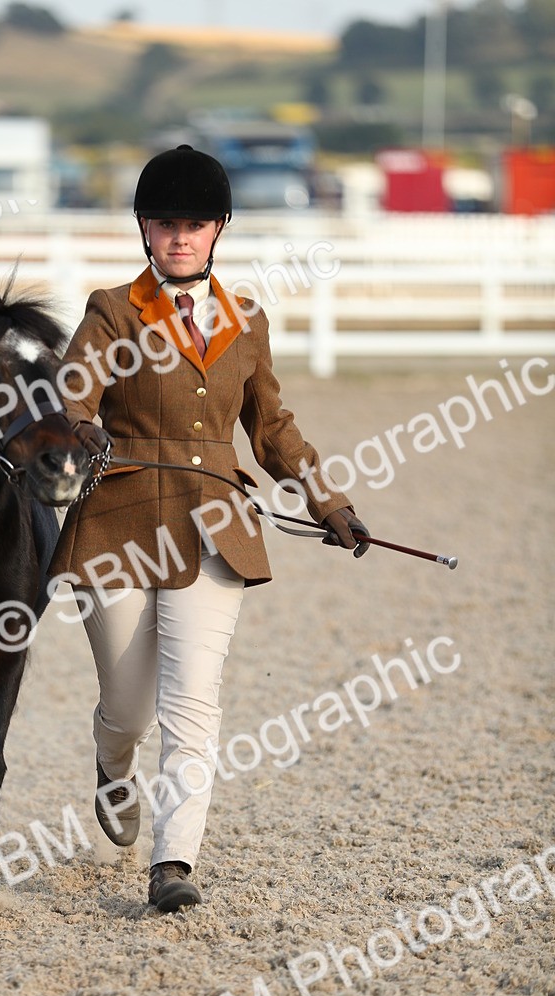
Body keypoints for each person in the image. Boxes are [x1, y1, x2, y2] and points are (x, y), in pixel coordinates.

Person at [48, 144, 370, 913]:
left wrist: (329, 502)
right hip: (120, 524)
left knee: (194, 701)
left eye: (195, 223)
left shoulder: (246, 321)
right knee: (129, 704)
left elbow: (273, 426)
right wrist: (81, 426)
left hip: (218, 524)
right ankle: (112, 764)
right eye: (166, 223)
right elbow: (72, 394)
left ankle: (175, 863)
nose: (180, 237)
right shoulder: (112, 311)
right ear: (145, 229)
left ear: (219, 228)